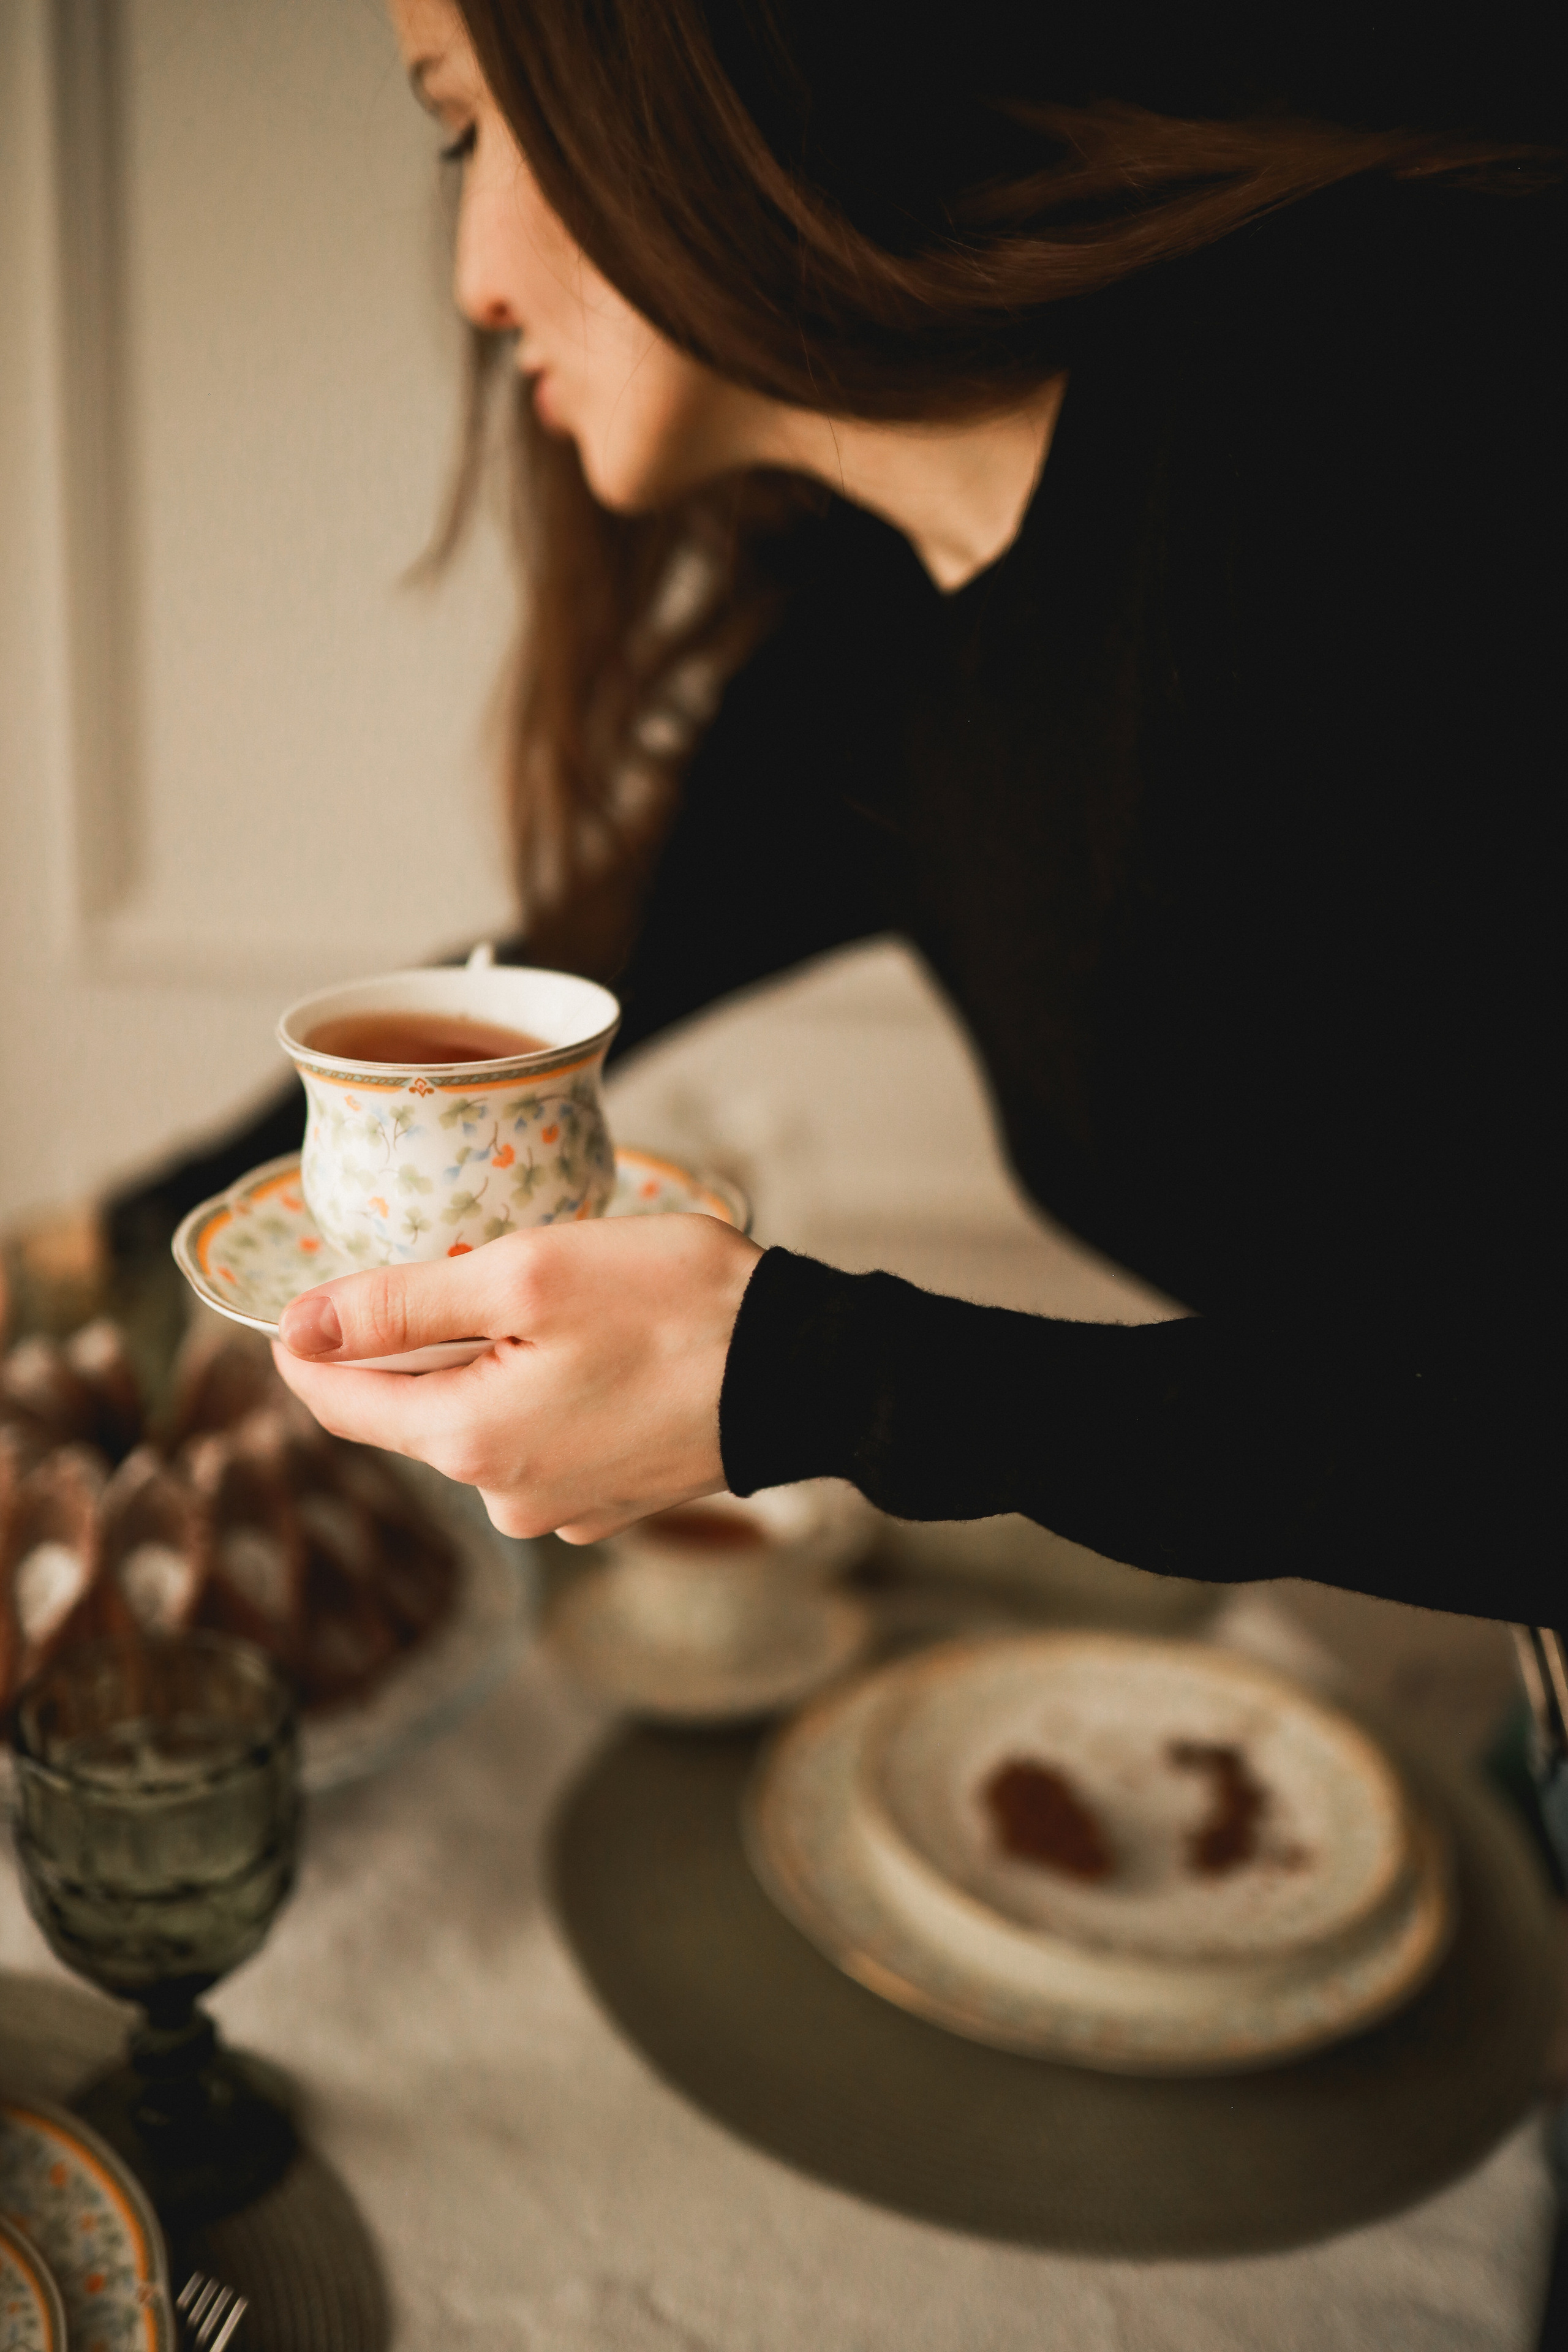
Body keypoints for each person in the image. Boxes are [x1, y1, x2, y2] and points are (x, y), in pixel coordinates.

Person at [129, 1, 1562, 1620]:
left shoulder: (1403, 391)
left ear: (673, 67)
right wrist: (85, 1256)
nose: (470, 286)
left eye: (466, 127)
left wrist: (811, 1382)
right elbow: (505, 1009)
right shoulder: (875, 680)